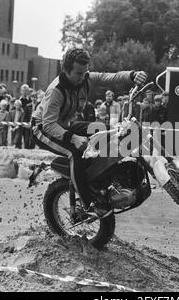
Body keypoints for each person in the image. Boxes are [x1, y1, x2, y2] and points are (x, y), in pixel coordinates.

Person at [31, 47, 147, 215]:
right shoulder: (55, 91)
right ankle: (89, 203)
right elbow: (49, 124)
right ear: (66, 70)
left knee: (107, 130)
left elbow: (110, 77)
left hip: (64, 125)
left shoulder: (86, 77)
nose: (82, 77)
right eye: (78, 73)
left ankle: (99, 182)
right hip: (42, 129)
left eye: (85, 72)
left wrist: (132, 75)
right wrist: (74, 138)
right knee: (74, 152)